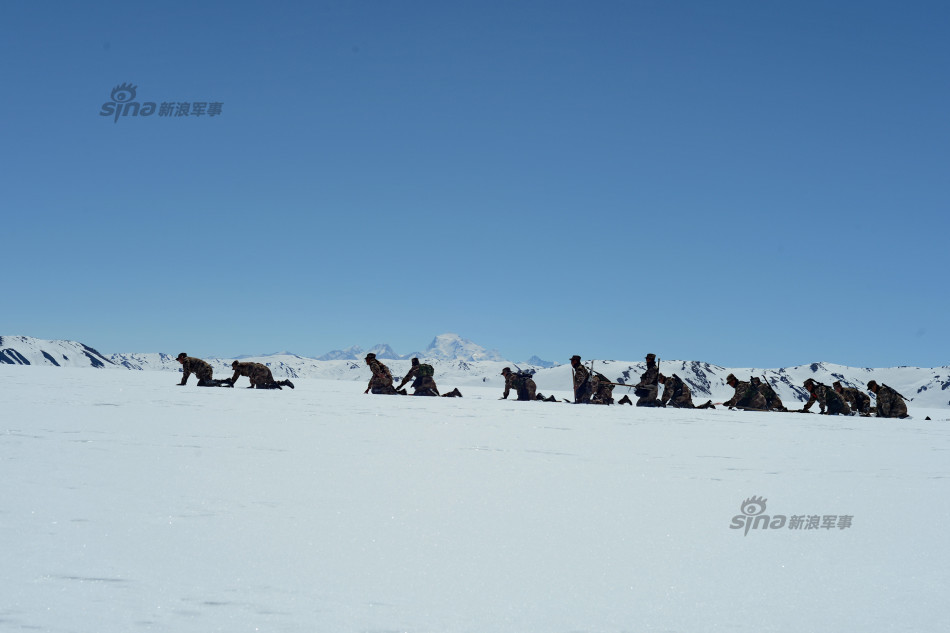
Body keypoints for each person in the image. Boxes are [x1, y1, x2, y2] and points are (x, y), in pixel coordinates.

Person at [229, 360, 294, 390]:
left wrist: (231, 383)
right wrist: (252, 385)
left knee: (260, 387)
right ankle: (285, 382)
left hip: (259, 371)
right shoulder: (245, 365)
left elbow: (235, 376)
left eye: (233, 367)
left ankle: (274, 386)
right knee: (271, 382)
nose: (233, 369)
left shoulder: (239, 366)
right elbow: (251, 376)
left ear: (235, 365)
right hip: (265, 369)